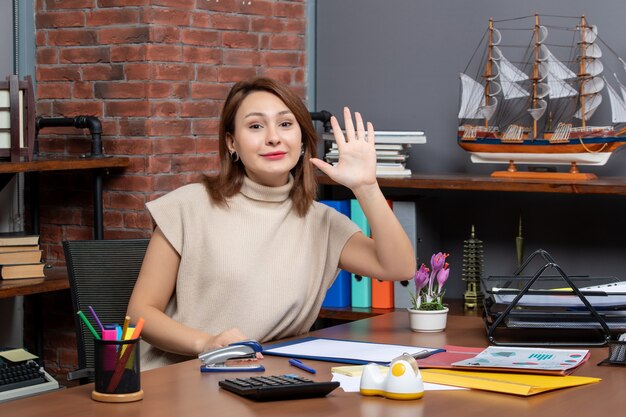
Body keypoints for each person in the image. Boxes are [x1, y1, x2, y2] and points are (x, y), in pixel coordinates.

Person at [127, 77, 416, 370]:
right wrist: (206, 343)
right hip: (182, 376)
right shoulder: (187, 206)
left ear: (302, 140)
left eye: (286, 124)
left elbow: (399, 267)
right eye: (255, 126)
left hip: (270, 375)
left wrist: (366, 186)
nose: (273, 138)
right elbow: (140, 313)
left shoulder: (322, 221)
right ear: (231, 142)